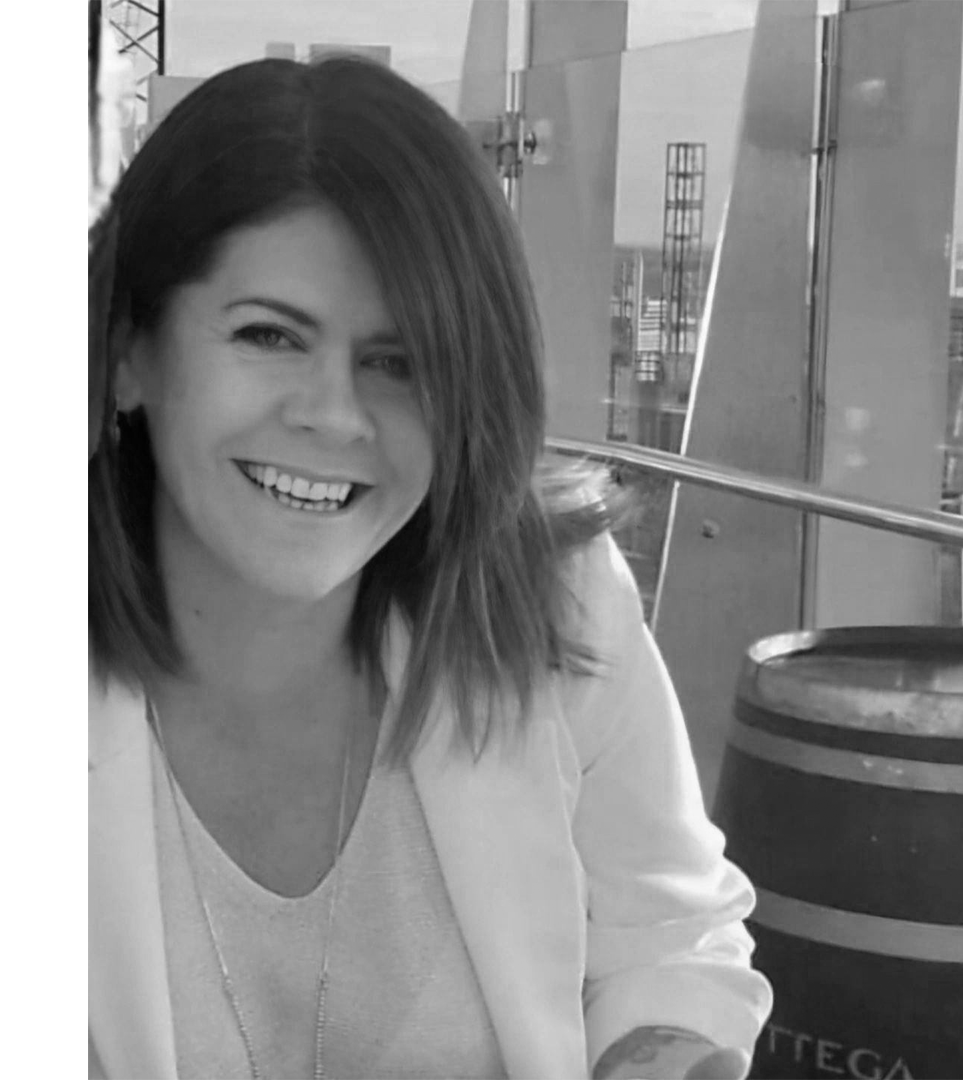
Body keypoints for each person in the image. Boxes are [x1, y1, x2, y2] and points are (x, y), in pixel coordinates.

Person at [87, 55, 771, 1080]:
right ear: (132, 352)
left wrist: (662, 1048)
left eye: (399, 362)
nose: (335, 414)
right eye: (270, 335)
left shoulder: (554, 605)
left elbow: (669, 926)